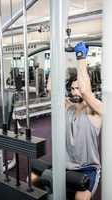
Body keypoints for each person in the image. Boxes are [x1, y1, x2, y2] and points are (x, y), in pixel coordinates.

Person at [29, 42, 103, 200]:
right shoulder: (67, 107)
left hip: (87, 169)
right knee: (32, 182)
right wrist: (55, 59)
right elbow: (50, 89)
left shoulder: (96, 110)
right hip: (63, 165)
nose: (75, 91)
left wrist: (81, 58)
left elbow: (85, 91)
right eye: (72, 88)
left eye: (78, 88)